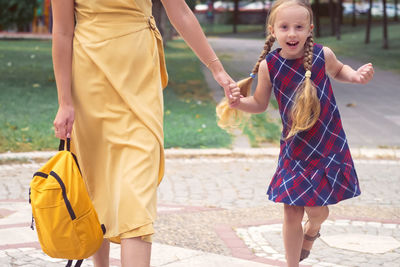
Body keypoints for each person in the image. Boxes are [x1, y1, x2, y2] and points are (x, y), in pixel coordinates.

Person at [51, 0, 239, 266]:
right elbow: (62, 31)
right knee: (96, 184)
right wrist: (65, 101)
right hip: (90, 80)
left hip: (140, 80)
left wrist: (217, 69)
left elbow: (180, 12)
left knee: (138, 193)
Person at [219, 0, 374, 266]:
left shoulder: (323, 55)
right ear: (273, 30)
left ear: (309, 29)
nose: (292, 33)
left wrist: (356, 76)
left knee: (316, 210)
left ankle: (313, 229)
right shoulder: (270, 65)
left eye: (299, 27)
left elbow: (339, 71)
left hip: (326, 143)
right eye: (285, 27)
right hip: (294, 149)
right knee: (291, 211)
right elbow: (258, 103)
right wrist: (238, 103)